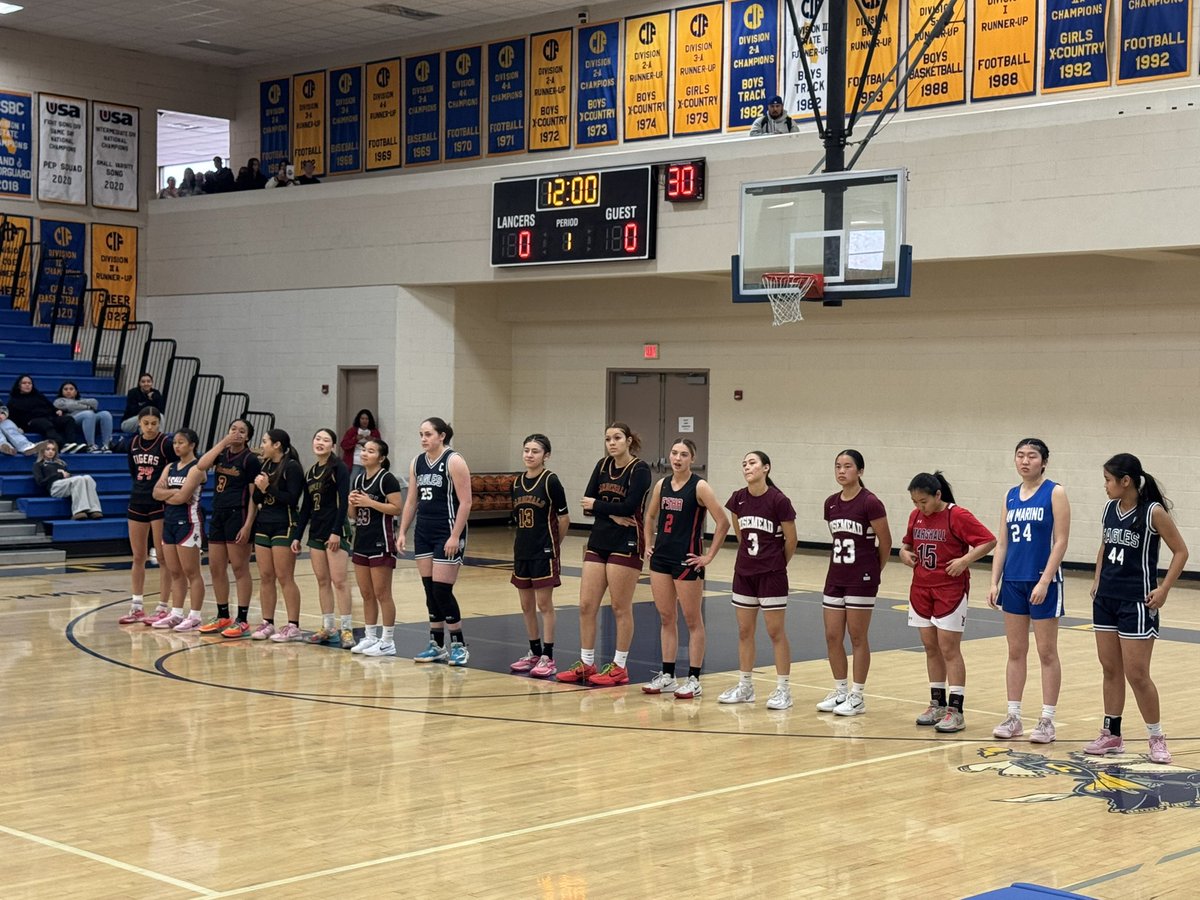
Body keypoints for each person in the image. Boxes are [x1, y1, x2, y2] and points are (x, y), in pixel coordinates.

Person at [1085, 454, 1189, 764]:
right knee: (1110, 668)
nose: (1105, 486)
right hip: (1106, 600)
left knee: (1138, 674)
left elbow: (1181, 551)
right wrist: (1097, 578)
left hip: (1137, 602)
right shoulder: (1109, 509)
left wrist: (1164, 589)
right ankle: (1112, 734)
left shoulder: (1152, 512)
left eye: (1108, 480)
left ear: (1125, 481)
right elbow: (1105, 545)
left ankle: (1156, 737)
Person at [986, 439, 1071, 744]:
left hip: (1042, 581)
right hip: (1013, 581)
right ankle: (1013, 716)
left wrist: (1045, 580)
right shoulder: (1010, 495)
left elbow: (1061, 541)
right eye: (1020, 455)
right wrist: (994, 581)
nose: (1025, 461)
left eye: (1032, 456)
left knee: (1046, 652)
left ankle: (1047, 720)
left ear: (1043, 462)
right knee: (1015, 651)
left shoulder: (1055, 492)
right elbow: (1003, 542)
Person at [556, 422, 652, 687]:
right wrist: (611, 513)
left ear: (628, 441)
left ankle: (620, 666)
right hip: (599, 539)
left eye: (617, 438)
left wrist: (601, 506)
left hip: (627, 541)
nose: (612, 443)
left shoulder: (640, 469)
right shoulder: (602, 466)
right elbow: (586, 504)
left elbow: (629, 506)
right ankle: (586, 663)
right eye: (608, 438)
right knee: (586, 605)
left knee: (620, 607)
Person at [900, 472, 997, 733]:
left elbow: (989, 540)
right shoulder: (915, 516)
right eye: (915, 502)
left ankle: (956, 710)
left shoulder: (957, 515)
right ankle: (937, 704)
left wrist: (965, 561)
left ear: (938, 495)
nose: (919, 507)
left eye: (923, 501)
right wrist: (904, 554)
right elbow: (907, 545)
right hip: (921, 588)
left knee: (949, 648)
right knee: (930, 647)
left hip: (949, 590)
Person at [642, 438, 730, 700]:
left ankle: (694, 679)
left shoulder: (700, 486)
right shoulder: (662, 484)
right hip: (661, 558)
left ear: (692, 458)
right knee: (666, 617)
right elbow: (649, 516)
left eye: (683, 454)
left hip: (687, 559)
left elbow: (723, 522)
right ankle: (668, 675)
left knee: (692, 620)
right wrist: (648, 544)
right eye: (674, 453)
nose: (677, 458)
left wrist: (708, 556)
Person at [718, 451, 797, 710]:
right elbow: (741, 535)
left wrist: (776, 564)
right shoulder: (738, 499)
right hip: (744, 573)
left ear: (766, 468)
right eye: (744, 464)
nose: (747, 467)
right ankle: (745, 686)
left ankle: (784, 689)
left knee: (775, 632)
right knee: (744, 631)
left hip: (771, 575)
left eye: (752, 462)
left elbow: (791, 540)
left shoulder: (779, 500)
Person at [816, 450, 892, 717]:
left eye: (847, 466)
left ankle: (857, 695)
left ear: (860, 471)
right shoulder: (830, 503)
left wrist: (873, 571)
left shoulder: (870, 502)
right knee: (832, 635)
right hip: (835, 576)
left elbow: (886, 542)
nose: (841, 471)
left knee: (857, 636)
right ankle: (840, 691)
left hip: (862, 579)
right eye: (838, 466)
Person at [400, 417, 473, 665]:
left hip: (447, 530)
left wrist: (455, 535)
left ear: (441, 436)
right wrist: (402, 531)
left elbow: (466, 502)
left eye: (428, 434)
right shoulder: (417, 462)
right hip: (424, 531)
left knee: (442, 590)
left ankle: (459, 645)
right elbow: (412, 501)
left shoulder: (454, 460)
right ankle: (437, 644)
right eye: (421, 434)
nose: (423, 439)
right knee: (429, 589)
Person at [508, 434, 571, 679]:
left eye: (535, 451)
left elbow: (564, 518)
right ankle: (534, 652)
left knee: (544, 604)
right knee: (526, 605)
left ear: (546, 455)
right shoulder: (516, 482)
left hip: (544, 552)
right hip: (522, 551)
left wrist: (554, 545)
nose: (529, 455)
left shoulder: (550, 481)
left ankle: (548, 656)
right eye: (526, 450)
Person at [195, 420, 260, 637]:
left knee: (239, 568)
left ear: (247, 437)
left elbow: (254, 496)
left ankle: (242, 619)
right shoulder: (221, 454)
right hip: (218, 513)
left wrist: (248, 524)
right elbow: (201, 465)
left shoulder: (250, 459)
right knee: (216, 567)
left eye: (242, 431)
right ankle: (223, 615)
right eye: (233, 429)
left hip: (238, 514)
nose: (237, 433)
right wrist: (223, 442)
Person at [291, 429, 353, 648]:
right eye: (317, 438)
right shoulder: (310, 472)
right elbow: (306, 507)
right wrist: (297, 536)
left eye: (326, 440)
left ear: (332, 446)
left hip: (335, 530)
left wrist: (336, 531)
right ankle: (328, 627)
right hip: (316, 531)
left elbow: (343, 501)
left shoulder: (338, 468)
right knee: (322, 581)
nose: (320, 442)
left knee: (339, 581)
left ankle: (347, 629)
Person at [117, 407, 177, 624]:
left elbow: (174, 469)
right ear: (139, 424)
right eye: (146, 423)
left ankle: (163, 607)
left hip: (159, 503)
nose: (150, 427)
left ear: (159, 424)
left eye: (154, 423)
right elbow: (133, 471)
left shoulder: (166, 444)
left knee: (162, 556)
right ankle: (136, 606)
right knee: (138, 556)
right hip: (137, 500)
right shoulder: (133, 443)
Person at [347, 438, 404, 656]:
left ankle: (388, 641)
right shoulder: (358, 479)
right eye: (364, 450)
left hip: (382, 540)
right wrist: (351, 502)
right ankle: (370, 637)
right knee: (366, 593)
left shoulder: (386, 479)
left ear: (381, 458)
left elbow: (397, 508)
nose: (365, 453)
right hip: (361, 540)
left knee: (382, 593)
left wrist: (370, 502)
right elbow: (353, 516)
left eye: (371, 451)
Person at [249, 429, 305, 641]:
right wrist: (259, 488)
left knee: (284, 576)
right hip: (264, 523)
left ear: (277, 445)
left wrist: (268, 488)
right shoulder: (264, 465)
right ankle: (267, 623)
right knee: (265, 576)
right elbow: (256, 498)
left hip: (285, 525)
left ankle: (293, 625)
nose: (262, 445)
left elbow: (291, 499)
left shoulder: (292, 467)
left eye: (265, 441)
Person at [150, 429, 208, 631]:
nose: (176, 446)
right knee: (174, 571)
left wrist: (170, 494)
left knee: (192, 572)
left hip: (189, 523)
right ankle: (176, 613)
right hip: (169, 522)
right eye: (175, 442)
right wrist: (174, 492)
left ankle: (195, 616)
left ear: (192, 445)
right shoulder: (170, 467)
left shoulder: (197, 468)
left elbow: (183, 498)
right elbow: (155, 493)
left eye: (181, 442)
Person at [7, 374, 87, 451]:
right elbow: (12, 417)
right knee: (45, 423)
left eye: (29, 383)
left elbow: (50, 406)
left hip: (49, 418)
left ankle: (71, 444)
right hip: (32, 422)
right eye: (24, 383)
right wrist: (19, 427)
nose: (27, 385)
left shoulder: (38, 395)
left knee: (68, 419)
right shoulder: (14, 401)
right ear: (19, 386)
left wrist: (56, 410)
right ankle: (61, 444)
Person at [31, 440, 102, 519]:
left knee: (87, 478)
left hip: (65, 484)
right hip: (54, 487)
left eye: (53, 449)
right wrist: (58, 475)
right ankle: (79, 511)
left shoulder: (61, 463)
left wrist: (67, 475)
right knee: (78, 479)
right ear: (42, 451)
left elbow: (68, 477)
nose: (51, 452)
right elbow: (40, 482)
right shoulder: (38, 465)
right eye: (48, 449)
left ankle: (94, 510)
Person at [55, 381, 113, 452]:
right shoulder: (59, 401)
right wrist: (87, 407)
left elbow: (94, 402)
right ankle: (91, 446)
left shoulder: (81, 399)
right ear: (61, 391)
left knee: (105, 414)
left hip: (90, 420)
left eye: (71, 389)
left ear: (76, 392)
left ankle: (106, 445)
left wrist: (76, 403)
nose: (68, 391)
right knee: (89, 413)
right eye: (65, 389)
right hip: (74, 420)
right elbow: (69, 406)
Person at [341, 409, 381, 484]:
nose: (364, 421)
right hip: (354, 462)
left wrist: (373, 440)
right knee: (352, 482)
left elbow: (380, 447)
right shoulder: (352, 431)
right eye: (362, 418)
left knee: (365, 483)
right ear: (358, 419)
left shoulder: (374, 432)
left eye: (366, 419)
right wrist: (355, 439)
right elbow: (344, 445)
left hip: (369, 463)